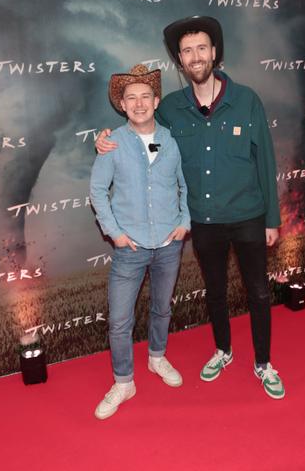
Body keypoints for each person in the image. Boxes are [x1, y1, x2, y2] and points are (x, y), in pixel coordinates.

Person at [96, 16, 285, 400]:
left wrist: (272, 219)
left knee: (259, 293)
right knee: (214, 292)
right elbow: (140, 128)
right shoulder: (169, 109)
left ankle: (263, 363)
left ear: (214, 53)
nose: (195, 56)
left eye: (202, 48)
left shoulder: (247, 99)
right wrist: (103, 140)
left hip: (249, 216)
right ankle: (223, 350)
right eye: (187, 51)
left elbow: (265, 160)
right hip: (204, 221)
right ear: (180, 62)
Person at [90, 64, 190, 420]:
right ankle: (123, 381)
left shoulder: (171, 141)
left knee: (162, 308)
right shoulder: (112, 143)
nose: (138, 103)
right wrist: (114, 233)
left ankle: (157, 358)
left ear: (156, 100)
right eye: (130, 98)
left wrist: (185, 221)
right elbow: (98, 191)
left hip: (168, 245)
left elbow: (184, 185)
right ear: (122, 105)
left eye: (145, 96)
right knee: (119, 321)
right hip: (128, 250)